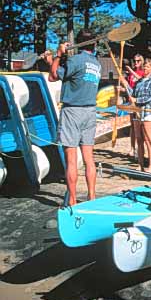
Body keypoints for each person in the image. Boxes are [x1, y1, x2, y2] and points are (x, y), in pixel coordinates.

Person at [48, 29, 101, 206]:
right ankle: (92, 197)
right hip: (90, 111)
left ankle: (72, 201)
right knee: (89, 158)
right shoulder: (97, 63)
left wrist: (58, 55)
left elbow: (52, 76)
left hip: (73, 111)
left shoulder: (75, 60)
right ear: (93, 44)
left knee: (71, 160)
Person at [121, 58, 151, 172]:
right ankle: (140, 164)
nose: (145, 69)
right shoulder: (139, 82)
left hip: (148, 112)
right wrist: (126, 84)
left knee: (148, 139)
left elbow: (150, 97)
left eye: (147, 67)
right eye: (144, 67)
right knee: (139, 139)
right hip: (137, 112)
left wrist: (136, 99)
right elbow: (132, 93)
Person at [124, 54, 145, 157]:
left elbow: (141, 79)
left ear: (141, 62)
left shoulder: (142, 72)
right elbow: (129, 87)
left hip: (139, 101)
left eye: (138, 61)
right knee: (132, 126)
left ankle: (139, 148)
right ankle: (132, 148)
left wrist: (131, 71)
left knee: (139, 125)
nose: (136, 63)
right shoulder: (131, 74)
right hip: (131, 101)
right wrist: (122, 87)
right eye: (135, 61)